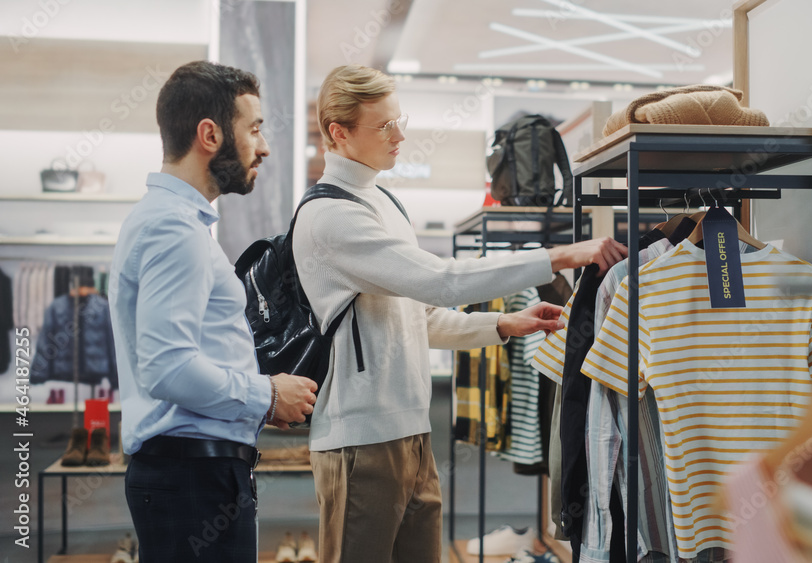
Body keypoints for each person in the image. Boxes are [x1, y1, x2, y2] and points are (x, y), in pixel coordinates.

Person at [294, 64, 627, 562]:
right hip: (359, 444)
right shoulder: (330, 217)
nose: (400, 134)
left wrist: (500, 323)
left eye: (398, 119)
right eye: (384, 125)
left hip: (411, 433)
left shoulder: (382, 201)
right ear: (338, 133)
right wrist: (558, 255)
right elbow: (442, 279)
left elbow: (420, 315)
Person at [108, 61, 318, 563]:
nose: (263, 147)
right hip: (192, 479)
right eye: (254, 129)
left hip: (195, 476)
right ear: (210, 134)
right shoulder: (172, 230)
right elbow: (169, 367)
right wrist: (265, 395)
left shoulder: (173, 223)